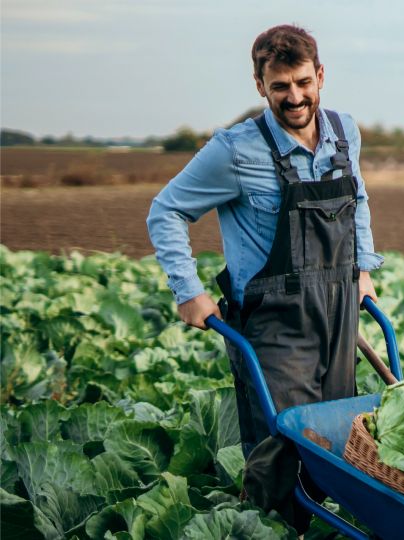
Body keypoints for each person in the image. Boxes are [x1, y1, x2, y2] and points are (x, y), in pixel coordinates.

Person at [146, 24, 384, 531]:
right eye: (280, 87)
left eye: (302, 82)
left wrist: (362, 269)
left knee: (337, 436)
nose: (294, 97)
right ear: (260, 85)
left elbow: (358, 200)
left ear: (320, 76)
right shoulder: (235, 150)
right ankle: (269, 526)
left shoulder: (345, 132)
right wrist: (189, 292)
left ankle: (321, 523)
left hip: (339, 311)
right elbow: (165, 211)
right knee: (282, 445)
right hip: (275, 323)